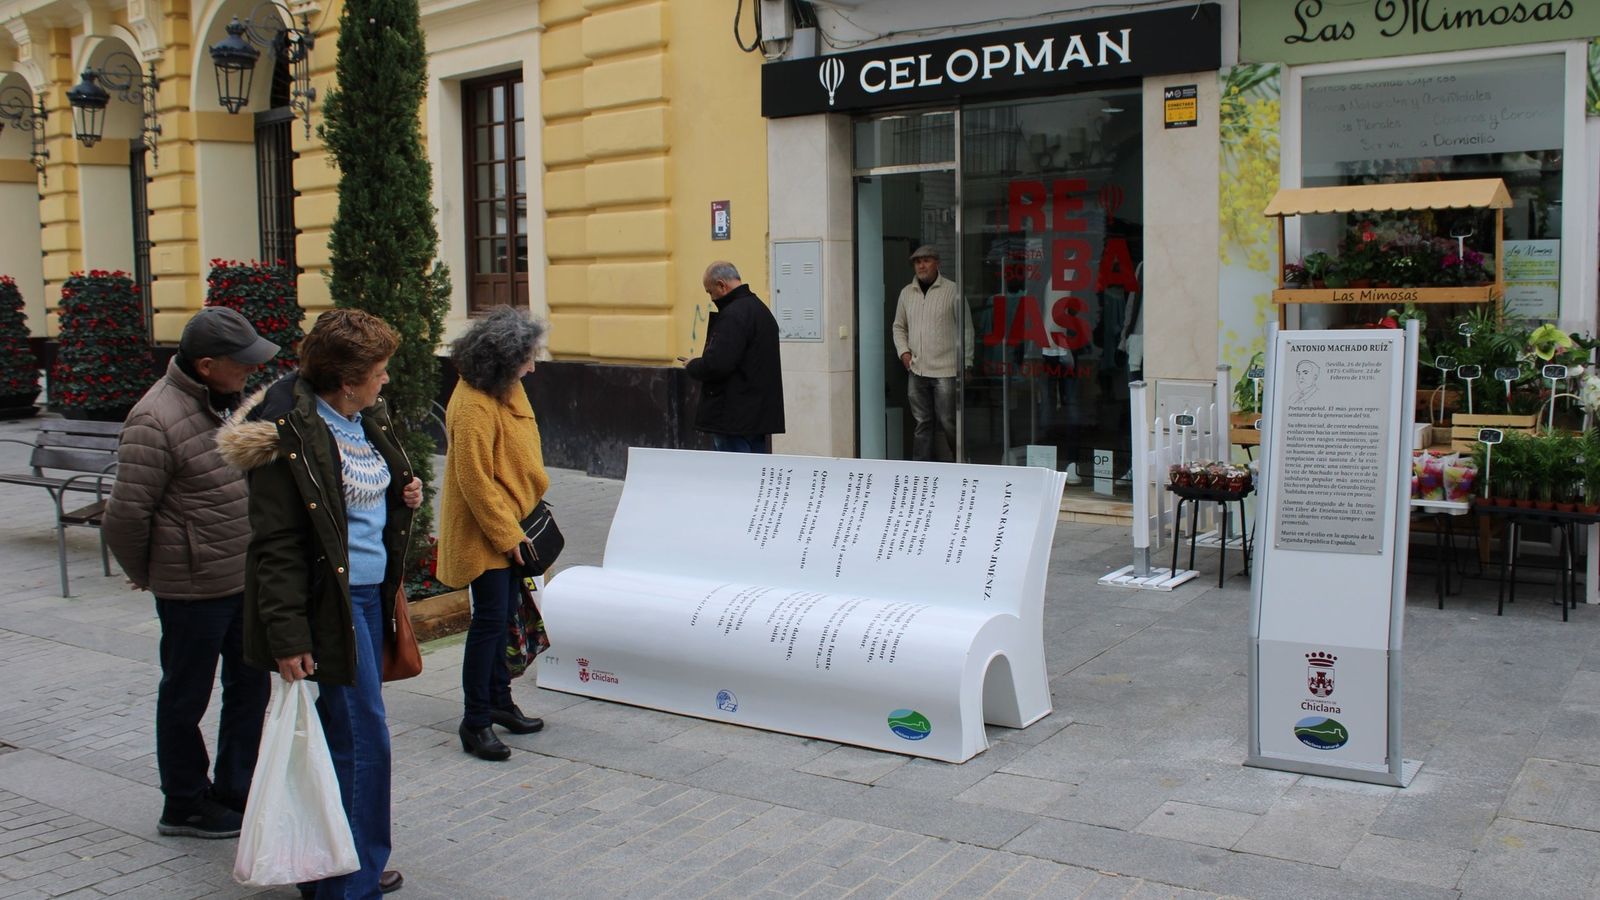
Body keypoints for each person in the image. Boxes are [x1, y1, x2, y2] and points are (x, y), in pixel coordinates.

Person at [217, 309, 421, 898]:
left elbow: (360, 498)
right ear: (346, 378)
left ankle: (337, 864)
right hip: (331, 606)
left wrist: (402, 494)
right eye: (379, 371)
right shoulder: (293, 433)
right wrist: (289, 638)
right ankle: (349, 885)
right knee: (362, 743)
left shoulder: (360, 416)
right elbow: (276, 546)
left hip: (365, 598)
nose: (386, 380)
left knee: (347, 740)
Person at [102, 306, 278, 839]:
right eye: (239, 363)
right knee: (186, 696)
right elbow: (125, 514)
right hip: (193, 588)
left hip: (242, 578)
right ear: (206, 365)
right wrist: (149, 572)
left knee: (250, 688)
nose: (250, 371)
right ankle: (182, 801)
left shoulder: (229, 404)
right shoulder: (154, 418)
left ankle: (235, 790)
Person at [437, 307, 550, 762]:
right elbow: (475, 481)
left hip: (513, 527)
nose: (533, 366)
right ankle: (475, 720)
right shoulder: (471, 404)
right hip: (489, 533)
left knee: (506, 616)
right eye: (527, 357)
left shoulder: (507, 389)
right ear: (502, 360)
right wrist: (509, 536)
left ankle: (500, 702)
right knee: (487, 624)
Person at [678, 261, 785, 453]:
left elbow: (718, 364)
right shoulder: (761, 311)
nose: (711, 298)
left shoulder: (733, 315)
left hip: (733, 416)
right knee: (754, 475)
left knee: (733, 476)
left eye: (710, 292)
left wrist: (693, 364)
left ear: (722, 285)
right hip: (757, 415)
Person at [892, 245, 973, 462]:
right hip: (916, 369)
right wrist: (904, 353)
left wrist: (966, 363)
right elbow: (899, 327)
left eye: (926, 260)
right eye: (917, 262)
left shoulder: (953, 290)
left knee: (948, 421)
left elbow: (966, 329)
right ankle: (921, 468)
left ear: (937, 263)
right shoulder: (906, 293)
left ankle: (961, 463)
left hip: (946, 369)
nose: (921, 265)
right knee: (922, 423)